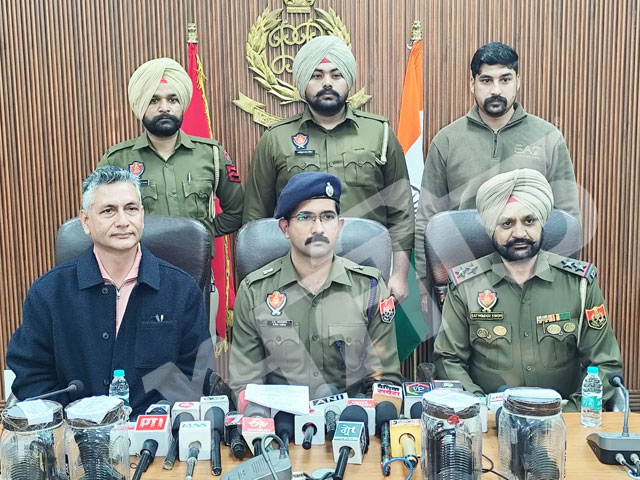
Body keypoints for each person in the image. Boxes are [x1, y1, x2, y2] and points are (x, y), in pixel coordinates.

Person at [6, 167, 212, 416]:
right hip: (74, 432)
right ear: (86, 222)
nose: (123, 221)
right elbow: (31, 374)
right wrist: (78, 422)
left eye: (131, 209)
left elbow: (195, 374)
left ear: (142, 216)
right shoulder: (49, 293)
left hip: (157, 432)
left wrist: (154, 422)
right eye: (108, 211)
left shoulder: (181, 289)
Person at [243, 35, 414, 304]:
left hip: (367, 275)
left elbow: (401, 212)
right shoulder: (275, 139)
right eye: (317, 75)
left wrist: (400, 274)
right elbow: (256, 220)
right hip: (295, 280)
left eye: (336, 75)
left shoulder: (379, 134)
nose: (327, 83)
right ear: (303, 82)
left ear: (348, 80)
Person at [433, 169, 621, 411]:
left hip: (564, 416)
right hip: (491, 418)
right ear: (492, 228)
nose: (520, 233)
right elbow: (449, 360)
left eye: (529, 221)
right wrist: (480, 409)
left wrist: (572, 413)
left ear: (541, 222)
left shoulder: (579, 283)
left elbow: (606, 364)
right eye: (507, 224)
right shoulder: (465, 285)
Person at [415, 42, 580, 313]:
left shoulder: (548, 137)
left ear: (518, 81)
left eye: (505, 79)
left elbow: (567, 219)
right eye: (486, 80)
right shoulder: (447, 141)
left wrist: (563, 284)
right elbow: (427, 220)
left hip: (533, 283)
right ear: (472, 84)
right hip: (464, 287)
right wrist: (424, 286)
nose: (496, 90)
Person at [230, 172, 402, 398]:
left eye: (328, 217)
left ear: (339, 225)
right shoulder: (255, 291)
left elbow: (385, 381)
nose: (318, 228)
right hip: (279, 417)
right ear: (285, 228)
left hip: (351, 416)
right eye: (305, 217)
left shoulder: (370, 288)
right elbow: (245, 384)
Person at [98, 57, 244, 246]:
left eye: (173, 100)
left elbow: (237, 212)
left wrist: (202, 233)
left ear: (182, 104)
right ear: (140, 106)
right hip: (139, 261)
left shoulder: (211, 154)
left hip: (195, 261)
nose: (164, 108)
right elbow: (97, 215)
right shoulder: (117, 160)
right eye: (154, 100)